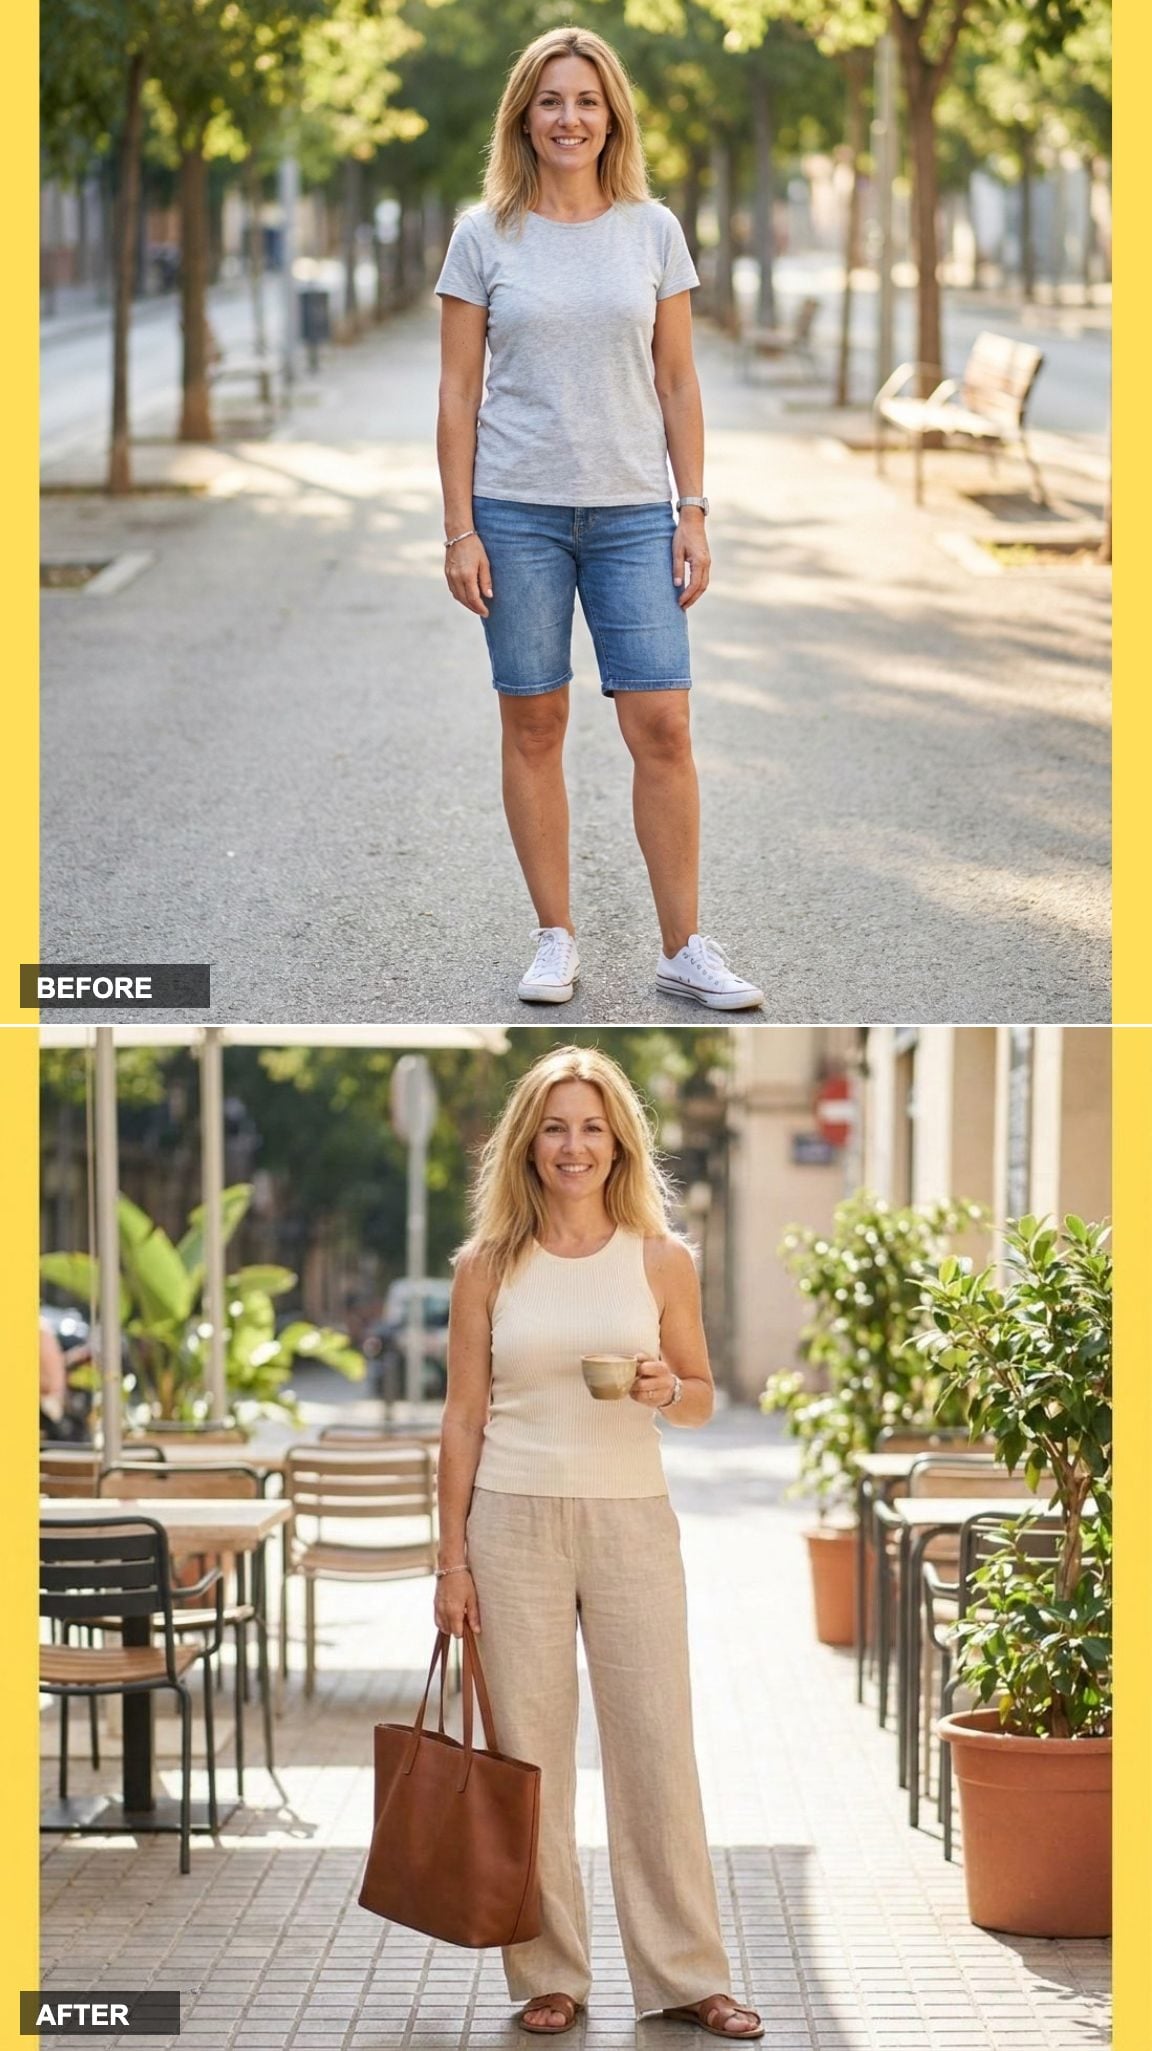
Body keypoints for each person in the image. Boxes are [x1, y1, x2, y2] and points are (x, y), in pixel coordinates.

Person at [434, 1046, 763, 2041]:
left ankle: (688, 1971)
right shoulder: (486, 1266)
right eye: (553, 1125)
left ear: (618, 1137)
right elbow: (459, 1418)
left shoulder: (662, 1257)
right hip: (512, 1519)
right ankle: (550, 1973)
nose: (572, 1145)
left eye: (590, 1125)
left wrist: (670, 1389)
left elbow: (703, 1397)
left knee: (657, 1746)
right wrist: (449, 1557)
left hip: (631, 1517)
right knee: (526, 1756)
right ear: (526, 1143)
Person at [435, 27, 763, 1015]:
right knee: (534, 718)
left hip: (631, 512)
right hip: (516, 510)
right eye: (550, 101)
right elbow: (456, 393)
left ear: (611, 113)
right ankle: (554, 936)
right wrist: (460, 528)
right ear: (523, 118)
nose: (569, 118)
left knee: (662, 722)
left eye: (586, 100)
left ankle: (685, 946)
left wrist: (693, 508)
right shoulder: (483, 234)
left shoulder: (652, 229)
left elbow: (677, 379)